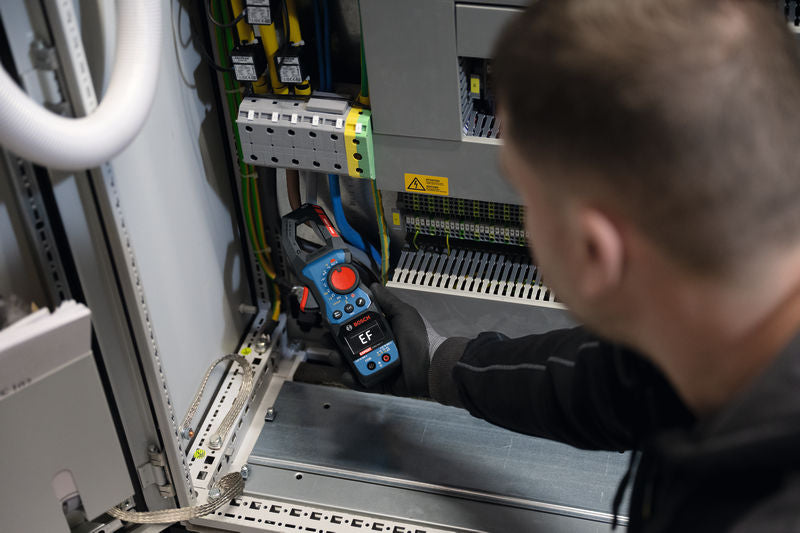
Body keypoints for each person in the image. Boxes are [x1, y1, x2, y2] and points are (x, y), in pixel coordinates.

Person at [370, 0, 800, 531]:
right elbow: (621, 383)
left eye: (523, 193)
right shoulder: (725, 338)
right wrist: (441, 363)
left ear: (596, 251)